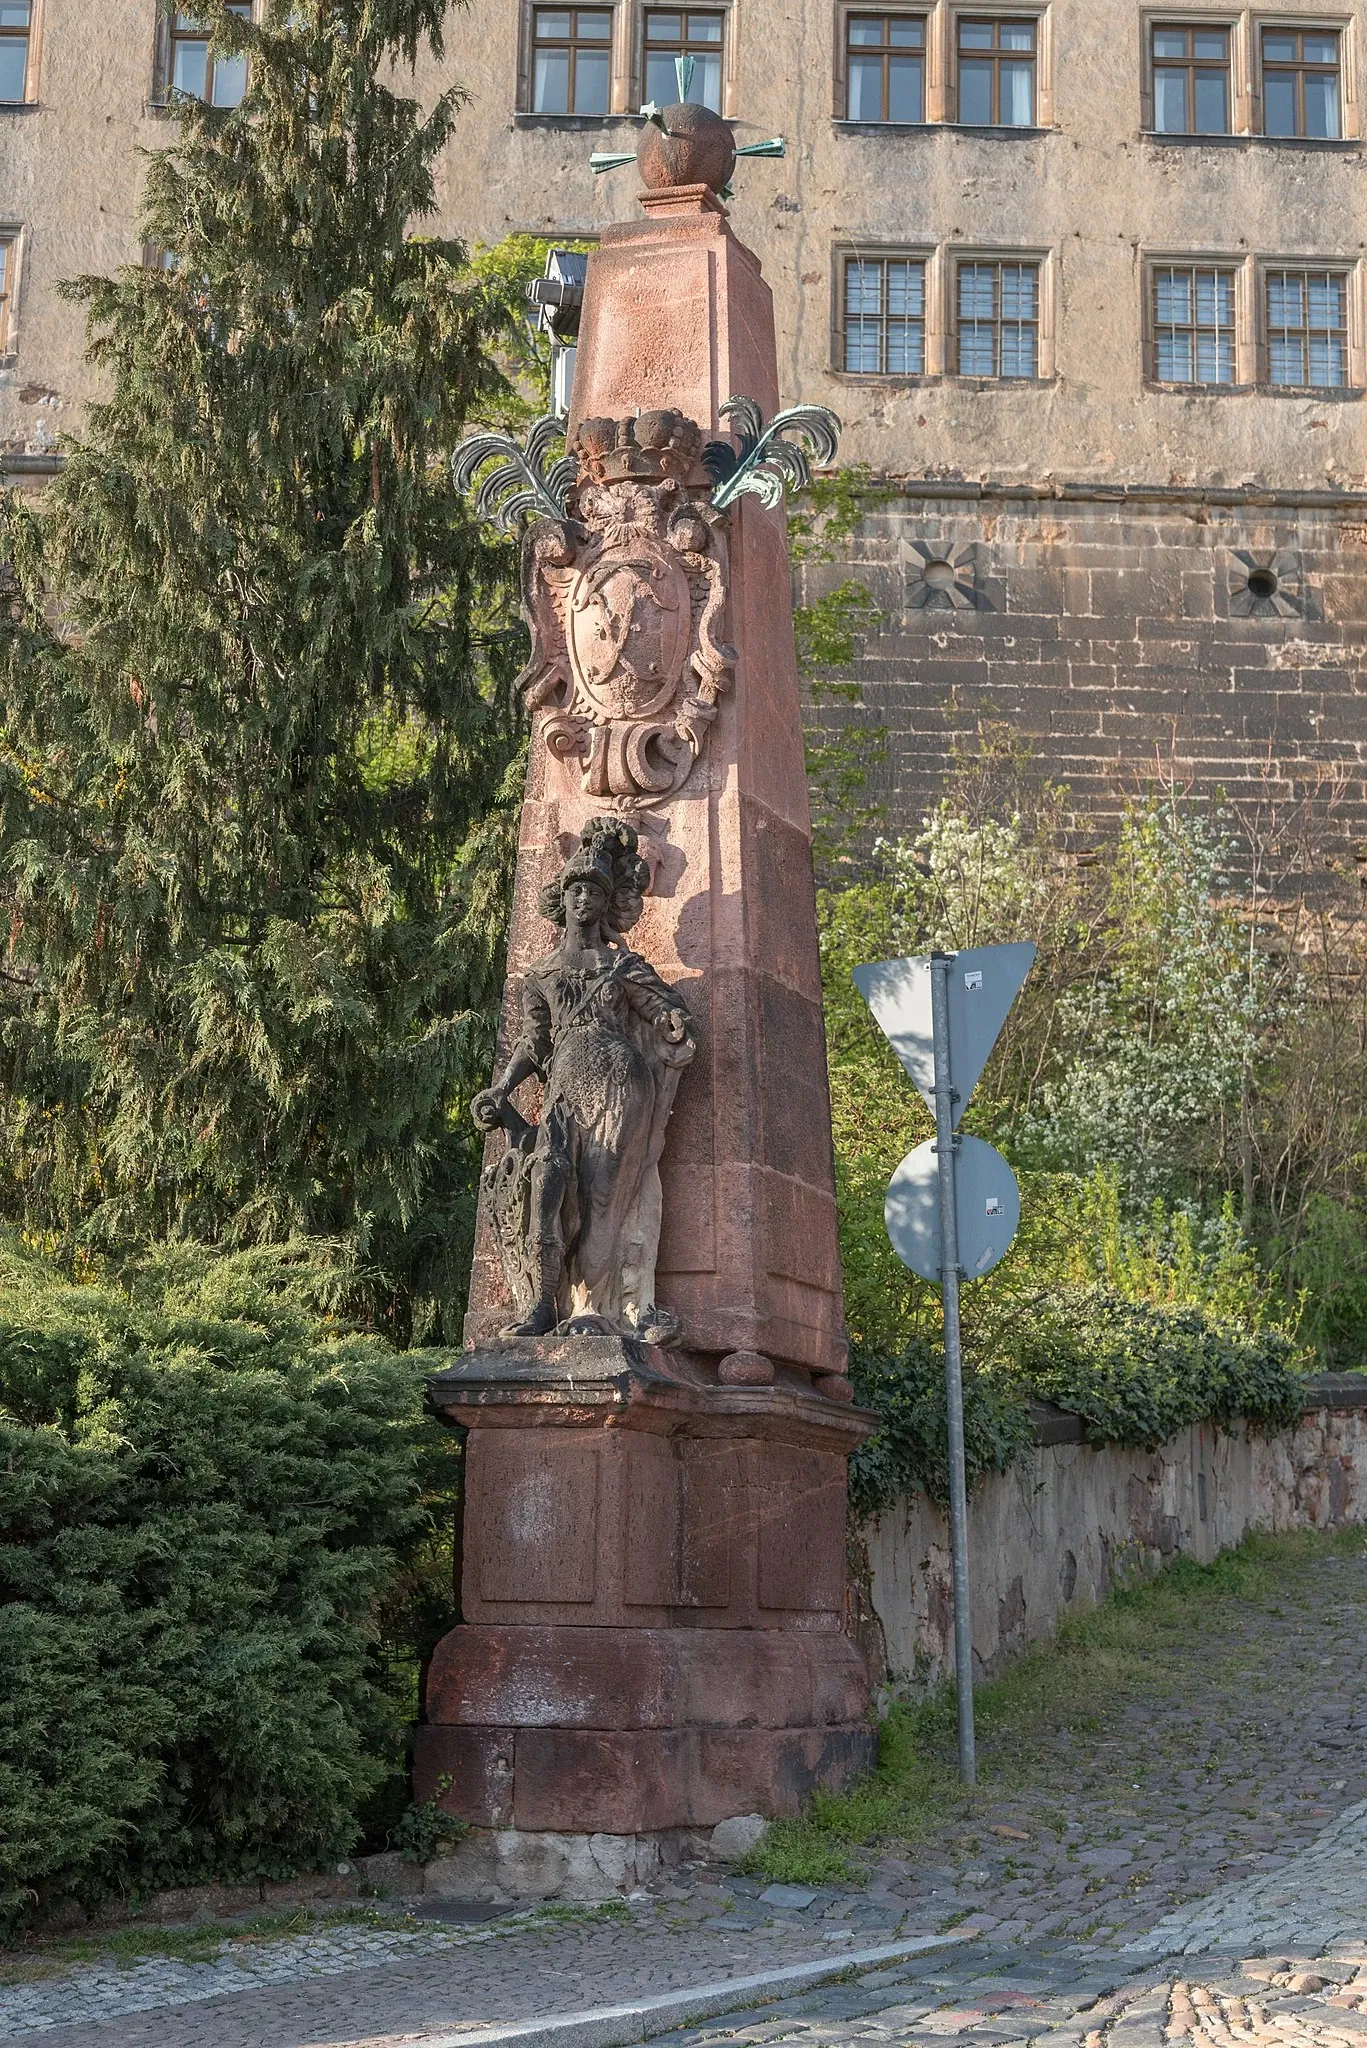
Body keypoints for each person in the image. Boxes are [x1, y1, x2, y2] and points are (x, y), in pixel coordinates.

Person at [472, 818, 696, 1343]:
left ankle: (592, 1307)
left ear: (605, 903)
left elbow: (664, 1009)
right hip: (565, 1086)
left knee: (601, 1195)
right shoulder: (542, 973)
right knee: (551, 1188)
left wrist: (672, 1020)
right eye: (575, 890)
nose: (583, 900)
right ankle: (542, 1304)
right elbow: (533, 1043)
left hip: (619, 1079)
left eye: (593, 891)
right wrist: (501, 1090)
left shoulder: (622, 966)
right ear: (563, 900)